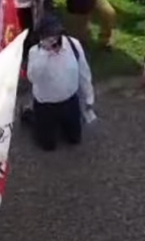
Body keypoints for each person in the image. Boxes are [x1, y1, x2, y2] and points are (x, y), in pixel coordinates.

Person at [26, 17, 95, 151]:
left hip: (69, 101)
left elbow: (84, 72)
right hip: (46, 104)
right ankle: (30, 116)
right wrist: (45, 54)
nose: (53, 39)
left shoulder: (73, 44)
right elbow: (33, 77)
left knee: (74, 139)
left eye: (55, 35)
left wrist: (89, 97)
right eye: (48, 36)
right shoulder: (35, 52)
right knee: (47, 146)